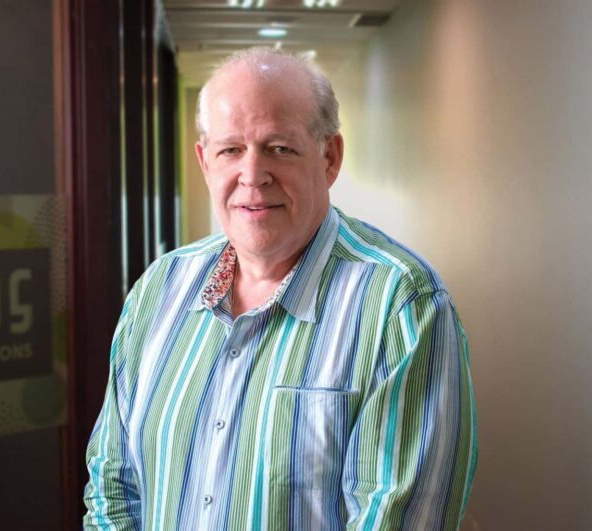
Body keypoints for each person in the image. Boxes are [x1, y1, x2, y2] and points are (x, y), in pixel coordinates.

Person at [84, 47, 477, 531]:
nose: (253, 175)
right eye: (231, 150)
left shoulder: (402, 306)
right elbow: (113, 487)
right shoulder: (159, 289)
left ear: (329, 157)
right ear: (205, 162)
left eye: (280, 148)